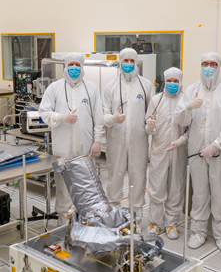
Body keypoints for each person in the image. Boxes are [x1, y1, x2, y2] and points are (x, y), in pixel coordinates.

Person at [175, 52, 221, 253]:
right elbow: (181, 121)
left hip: (220, 152)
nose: (209, 67)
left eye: (213, 64)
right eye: (205, 63)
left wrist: (217, 144)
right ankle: (198, 232)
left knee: (220, 193)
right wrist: (187, 107)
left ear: (219, 66)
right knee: (199, 193)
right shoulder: (192, 90)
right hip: (196, 151)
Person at [38, 53, 103, 217]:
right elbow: (44, 113)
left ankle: (85, 226)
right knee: (63, 190)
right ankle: (63, 227)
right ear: (65, 66)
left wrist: (98, 141)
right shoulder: (54, 88)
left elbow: (98, 118)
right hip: (63, 149)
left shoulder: (91, 88)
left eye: (77, 65)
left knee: (86, 190)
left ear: (82, 68)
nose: (74, 68)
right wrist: (62, 117)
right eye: (71, 64)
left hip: (85, 148)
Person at [103, 48, 155, 223]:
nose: (128, 64)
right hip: (115, 140)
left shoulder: (146, 85)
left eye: (132, 61)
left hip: (138, 140)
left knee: (138, 176)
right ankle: (114, 213)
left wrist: (150, 124)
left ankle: (136, 216)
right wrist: (113, 118)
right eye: (125, 61)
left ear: (137, 63)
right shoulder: (110, 86)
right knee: (115, 177)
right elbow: (103, 115)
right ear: (120, 62)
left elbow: (151, 113)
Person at [145, 67, 189, 240]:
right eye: (169, 81)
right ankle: (154, 223)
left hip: (179, 153)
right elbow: (147, 128)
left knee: (176, 189)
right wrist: (150, 126)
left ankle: (171, 224)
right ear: (164, 81)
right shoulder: (156, 100)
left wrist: (181, 141)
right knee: (156, 188)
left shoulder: (186, 102)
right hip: (159, 153)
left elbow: (190, 130)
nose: (172, 84)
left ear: (181, 82)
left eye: (175, 81)